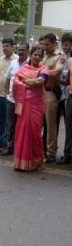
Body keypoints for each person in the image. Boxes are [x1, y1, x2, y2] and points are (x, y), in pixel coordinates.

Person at [13, 45, 48, 171]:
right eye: (35, 54)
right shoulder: (23, 69)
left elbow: (40, 82)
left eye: (40, 55)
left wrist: (26, 81)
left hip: (36, 105)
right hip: (24, 105)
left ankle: (36, 161)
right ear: (31, 55)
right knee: (21, 132)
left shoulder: (44, 68)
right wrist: (29, 82)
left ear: (42, 58)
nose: (37, 57)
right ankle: (20, 163)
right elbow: (16, 82)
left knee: (35, 133)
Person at [1, 42, 29, 156]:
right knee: (10, 124)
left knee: (21, 124)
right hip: (12, 100)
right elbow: (8, 79)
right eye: (20, 50)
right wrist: (8, 93)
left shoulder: (30, 64)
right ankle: (9, 147)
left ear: (28, 51)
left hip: (24, 101)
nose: (21, 52)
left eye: (23, 50)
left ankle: (20, 147)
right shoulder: (13, 63)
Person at [42, 33, 66, 163]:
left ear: (54, 44)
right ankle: (41, 149)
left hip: (51, 93)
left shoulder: (60, 57)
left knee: (51, 124)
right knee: (38, 124)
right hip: (39, 93)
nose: (45, 47)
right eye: (43, 44)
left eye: (47, 45)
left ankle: (51, 152)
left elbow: (57, 72)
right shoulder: (43, 55)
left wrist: (41, 73)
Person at [0, 38, 18, 150]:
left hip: (11, 97)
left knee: (10, 122)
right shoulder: (0, 60)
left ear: (13, 47)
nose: (5, 48)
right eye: (3, 46)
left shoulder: (17, 60)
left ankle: (8, 143)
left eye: (7, 46)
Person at [57, 33, 72, 164]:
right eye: (63, 45)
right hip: (65, 95)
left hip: (68, 94)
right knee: (68, 126)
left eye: (67, 45)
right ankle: (67, 155)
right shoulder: (63, 58)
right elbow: (66, 79)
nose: (65, 47)